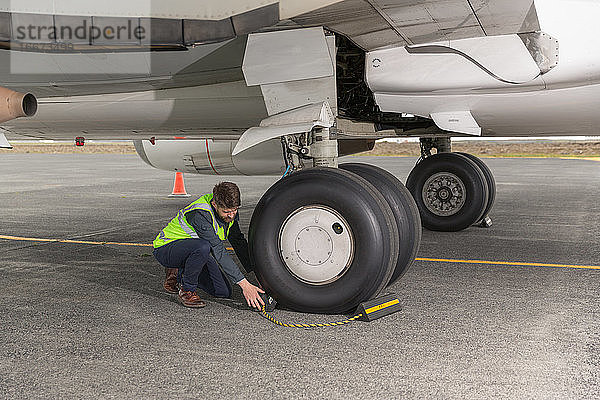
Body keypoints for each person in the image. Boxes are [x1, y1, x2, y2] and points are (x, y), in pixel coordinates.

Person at [153, 181, 265, 309]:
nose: (231, 215)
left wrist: (258, 274)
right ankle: (187, 290)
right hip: (167, 248)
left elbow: (238, 241)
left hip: (195, 252)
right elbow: (218, 249)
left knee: (223, 292)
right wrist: (245, 285)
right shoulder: (199, 214)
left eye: (235, 210)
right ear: (214, 204)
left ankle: (181, 271)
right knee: (203, 246)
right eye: (227, 211)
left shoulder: (230, 212)